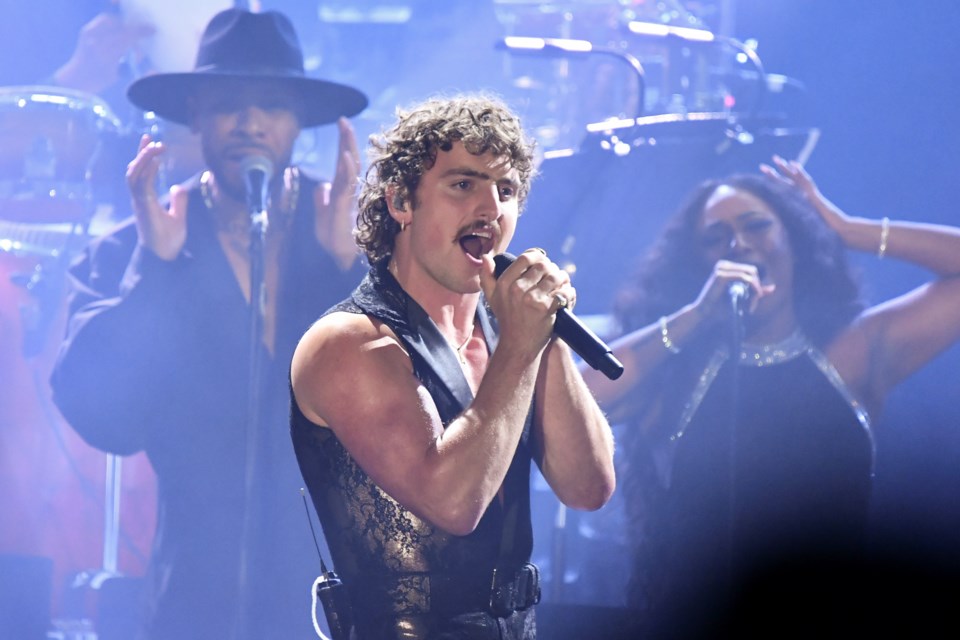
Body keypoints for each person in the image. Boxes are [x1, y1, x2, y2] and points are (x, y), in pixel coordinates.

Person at [49, 8, 368, 639]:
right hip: (191, 594)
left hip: (331, 591)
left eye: (271, 104)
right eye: (227, 103)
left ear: (299, 122)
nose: (249, 123)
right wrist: (156, 271)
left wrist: (346, 271)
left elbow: (401, 414)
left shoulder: (345, 239)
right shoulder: (135, 247)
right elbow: (100, 416)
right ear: (195, 115)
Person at [582, 156, 960, 636]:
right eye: (715, 238)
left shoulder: (850, 355)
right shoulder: (675, 371)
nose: (739, 243)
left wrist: (847, 229)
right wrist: (695, 316)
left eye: (757, 225)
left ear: (796, 243)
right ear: (698, 262)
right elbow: (571, 399)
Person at [290, 94, 617, 639]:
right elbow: (453, 503)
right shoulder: (351, 343)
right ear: (400, 201)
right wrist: (519, 347)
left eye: (506, 190)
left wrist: (545, 332)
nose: (490, 207)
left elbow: (588, 488)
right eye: (463, 184)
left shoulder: (508, 338)